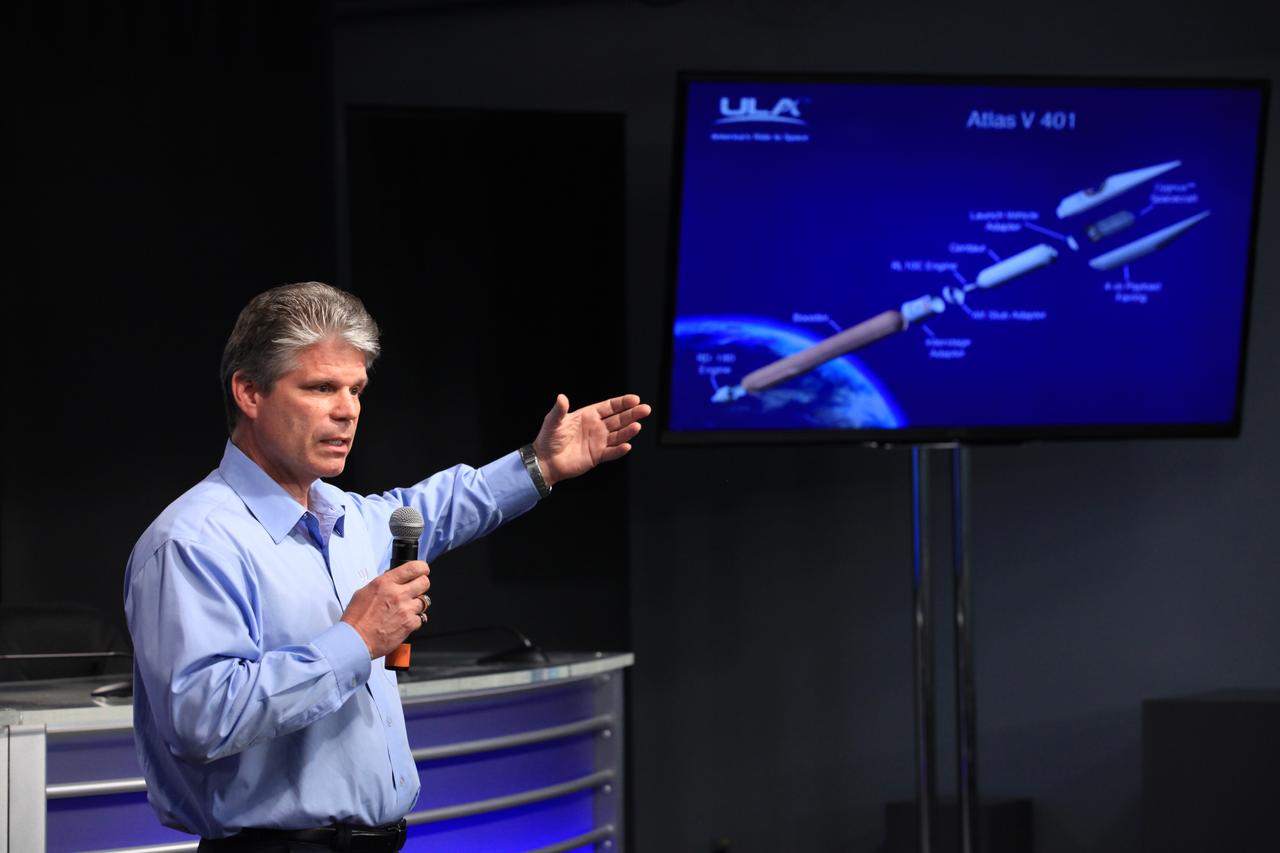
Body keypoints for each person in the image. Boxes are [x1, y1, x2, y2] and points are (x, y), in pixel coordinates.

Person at [124, 281, 650, 852]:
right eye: (321, 387)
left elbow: (446, 504)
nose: (347, 410)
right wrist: (355, 640)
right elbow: (204, 717)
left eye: (356, 389)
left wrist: (541, 464)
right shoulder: (193, 542)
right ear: (249, 392)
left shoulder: (348, 516)